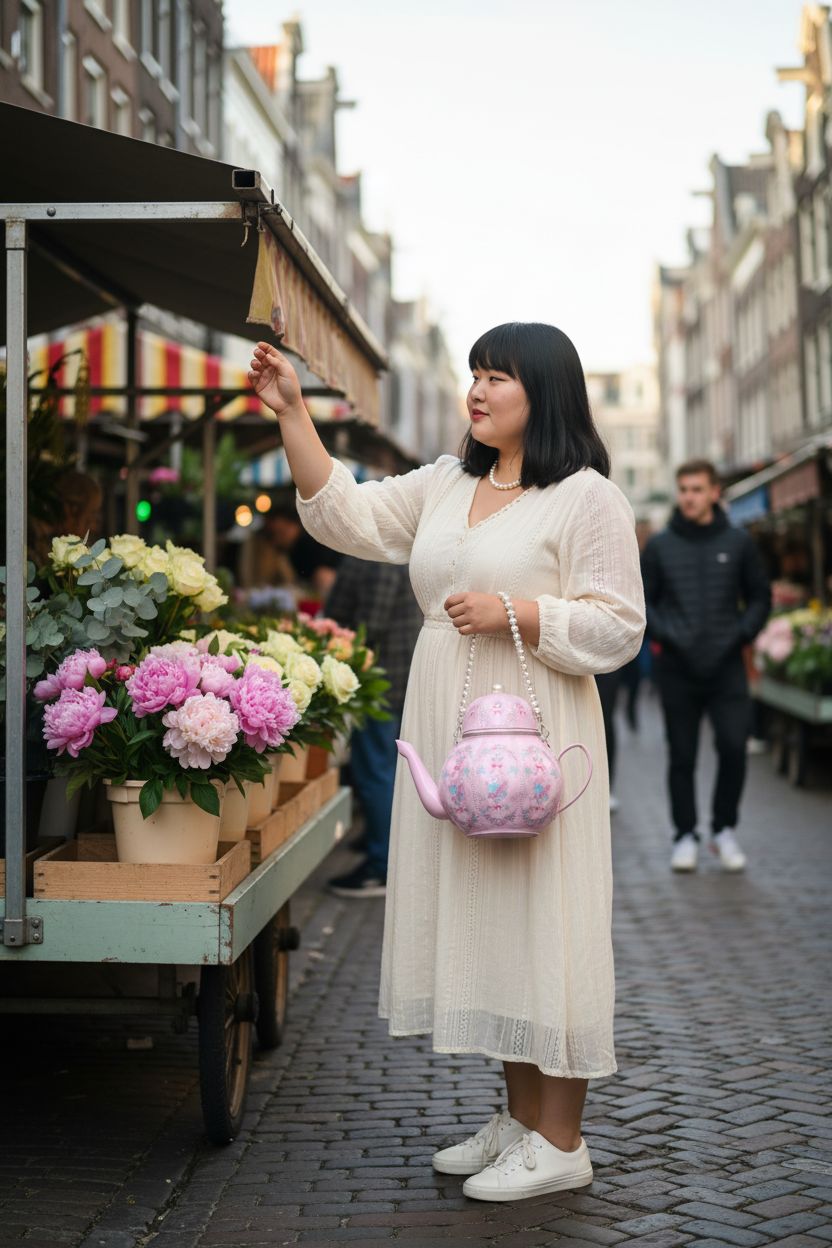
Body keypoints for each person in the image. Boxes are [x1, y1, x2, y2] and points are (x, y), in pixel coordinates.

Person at [249, 322, 645, 1202]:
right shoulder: (446, 480)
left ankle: (564, 1139)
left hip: (537, 728)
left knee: (547, 913)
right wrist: (292, 415)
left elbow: (619, 626)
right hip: (451, 719)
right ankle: (519, 1120)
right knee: (490, 916)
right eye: (474, 373)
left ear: (545, 393)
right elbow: (347, 516)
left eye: (497, 376)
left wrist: (521, 611)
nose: (478, 389)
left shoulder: (585, 498)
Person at [641, 460, 771, 874]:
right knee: (682, 755)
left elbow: (760, 598)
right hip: (677, 669)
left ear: (715, 492)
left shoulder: (738, 543)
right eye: (683, 489)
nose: (689, 497)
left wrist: (739, 635)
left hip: (727, 665)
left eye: (697, 489)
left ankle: (724, 829)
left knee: (734, 748)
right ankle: (684, 835)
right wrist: (669, 635)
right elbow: (643, 604)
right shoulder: (660, 546)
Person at [324, 557, 423, 897]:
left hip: (382, 678)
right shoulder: (384, 551)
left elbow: (372, 625)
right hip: (390, 675)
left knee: (374, 771)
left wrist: (336, 644)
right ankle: (380, 846)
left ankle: (382, 866)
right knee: (383, 769)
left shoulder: (380, 554)